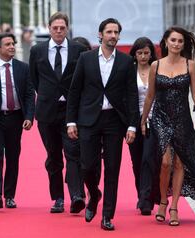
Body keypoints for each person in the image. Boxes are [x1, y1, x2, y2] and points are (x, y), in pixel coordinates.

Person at [141, 26, 195, 226]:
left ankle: (174, 206)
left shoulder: (190, 65)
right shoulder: (156, 66)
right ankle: (162, 200)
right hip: (160, 118)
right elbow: (150, 95)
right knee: (166, 162)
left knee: (179, 164)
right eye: (173, 40)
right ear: (166, 42)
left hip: (182, 120)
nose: (177, 44)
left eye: (180, 41)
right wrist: (143, 120)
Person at [66, 18, 139, 231]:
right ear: (100, 35)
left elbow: (131, 95)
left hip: (115, 121)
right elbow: (75, 91)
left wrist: (132, 125)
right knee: (87, 166)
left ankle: (107, 215)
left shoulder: (126, 62)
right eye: (109, 32)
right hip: (88, 119)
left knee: (112, 169)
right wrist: (71, 121)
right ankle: (94, 194)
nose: (113, 35)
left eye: (116, 32)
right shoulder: (85, 58)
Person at [29, 12, 86, 214]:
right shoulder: (37, 50)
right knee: (53, 157)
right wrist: (46, 95)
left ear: (67, 28)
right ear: (49, 28)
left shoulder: (79, 50)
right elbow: (34, 79)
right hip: (47, 112)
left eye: (62, 28)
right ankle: (58, 198)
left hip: (71, 112)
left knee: (73, 153)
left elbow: (83, 78)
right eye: (55, 28)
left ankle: (77, 195)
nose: (59, 31)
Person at [0, 33, 35, 209]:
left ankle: (10, 195)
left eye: (13, 43)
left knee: (13, 158)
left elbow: (29, 94)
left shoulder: (22, 68)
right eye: (7, 44)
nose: (12, 46)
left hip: (15, 118)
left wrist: (29, 116)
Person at [128, 37, 159, 215]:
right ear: (134, 54)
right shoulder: (129, 71)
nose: (143, 56)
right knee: (136, 160)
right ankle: (141, 193)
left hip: (154, 119)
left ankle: (146, 199)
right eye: (139, 53)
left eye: (146, 53)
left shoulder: (157, 69)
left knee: (149, 157)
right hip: (134, 120)